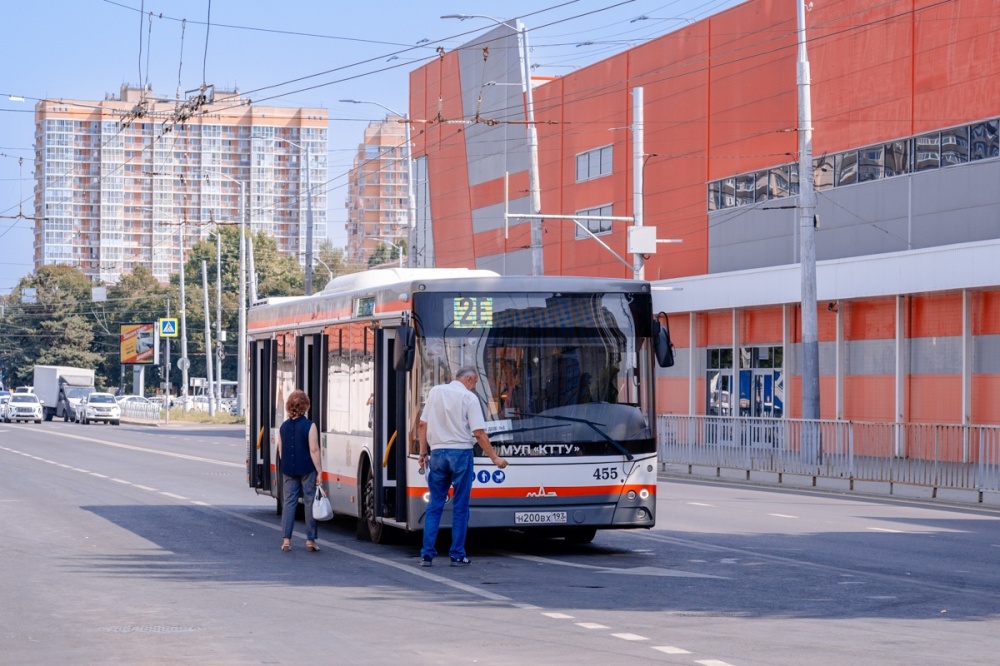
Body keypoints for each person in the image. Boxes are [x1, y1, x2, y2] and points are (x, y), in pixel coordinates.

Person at [417, 366, 508, 567]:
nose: (474, 387)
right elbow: (478, 433)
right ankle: (457, 554)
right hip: (461, 454)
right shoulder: (469, 398)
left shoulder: (435, 392)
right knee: (460, 507)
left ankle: (427, 555)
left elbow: (422, 425)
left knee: (435, 506)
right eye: (475, 383)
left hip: (438, 454)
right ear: (469, 379)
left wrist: (423, 453)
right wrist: (495, 458)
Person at [276, 389, 323, 553]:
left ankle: (286, 541)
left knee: (289, 502)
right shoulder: (310, 426)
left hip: (288, 469)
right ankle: (310, 540)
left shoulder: (283, 427)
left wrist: (288, 465)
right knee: (310, 502)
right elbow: (314, 450)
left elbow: (281, 452)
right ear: (306, 406)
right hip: (307, 468)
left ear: (289, 407)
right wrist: (319, 470)